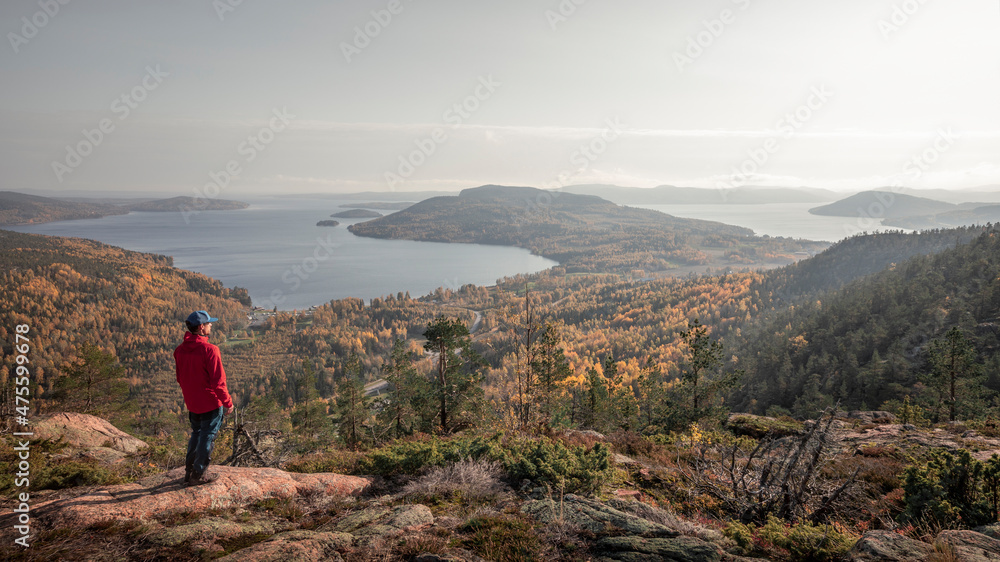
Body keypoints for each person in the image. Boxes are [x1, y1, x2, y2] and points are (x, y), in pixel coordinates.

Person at [174, 310, 234, 486]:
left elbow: (180, 378)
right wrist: (227, 403)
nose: (211, 325)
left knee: (197, 433)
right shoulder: (210, 350)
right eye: (209, 323)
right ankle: (199, 473)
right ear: (201, 327)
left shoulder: (180, 350)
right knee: (207, 436)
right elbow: (219, 383)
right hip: (210, 403)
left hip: (192, 402)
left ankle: (189, 471)